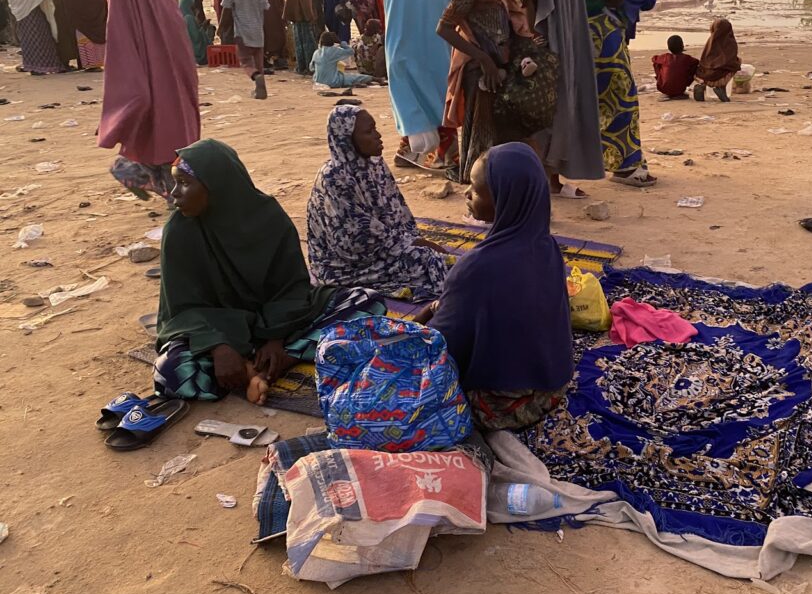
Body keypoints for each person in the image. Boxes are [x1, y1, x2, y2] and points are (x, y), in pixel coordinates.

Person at [154, 139, 384, 404]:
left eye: (183, 182)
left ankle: (282, 359)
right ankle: (253, 367)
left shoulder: (267, 216)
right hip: (218, 330)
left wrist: (275, 336)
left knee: (366, 302)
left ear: (217, 185)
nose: (174, 193)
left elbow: (292, 285)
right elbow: (181, 308)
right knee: (169, 371)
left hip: (281, 321)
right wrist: (218, 346)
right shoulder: (179, 230)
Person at [416, 143, 572, 431]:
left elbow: (442, 346)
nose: (466, 193)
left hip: (502, 407)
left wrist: (424, 316)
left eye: (475, 189)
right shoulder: (547, 247)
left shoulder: (477, 267)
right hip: (553, 389)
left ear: (505, 198)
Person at [99, 0, 200, 203]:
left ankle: (140, 174)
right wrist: (134, 68)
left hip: (172, 58)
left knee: (178, 121)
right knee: (164, 124)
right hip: (150, 60)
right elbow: (121, 24)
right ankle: (168, 188)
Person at [514, 0, 604, 197]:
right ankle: (543, 179)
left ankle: (554, 176)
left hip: (566, 36)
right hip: (545, 41)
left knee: (567, 103)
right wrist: (532, 43)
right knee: (547, 111)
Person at [307, 106, 449, 301]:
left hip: (383, 246)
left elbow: (397, 208)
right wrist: (411, 245)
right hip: (344, 265)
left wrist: (410, 240)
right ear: (347, 139)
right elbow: (354, 241)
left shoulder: (375, 165)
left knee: (433, 259)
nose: (378, 135)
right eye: (369, 132)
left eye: (375, 128)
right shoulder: (334, 178)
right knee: (427, 262)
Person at [439, 0, 533, 184]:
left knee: (495, 132)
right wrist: (482, 58)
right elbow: (444, 28)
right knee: (483, 133)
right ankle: (482, 189)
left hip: (496, 67)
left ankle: (494, 186)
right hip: (480, 72)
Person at [583, 0, 659, 188]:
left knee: (617, 94)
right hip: (600, 27)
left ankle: (626, 161)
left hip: (612, 23)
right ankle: (624, 166)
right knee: (620, 94)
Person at [384, 0, 459, 170]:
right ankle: (445, 154)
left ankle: (413, 152)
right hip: (410, 44)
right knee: (421, 93)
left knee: (441, 91)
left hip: (440, 40)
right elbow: (398, 11)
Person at [218, 0, 270, 99]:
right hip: (258, 30)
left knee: (246, 61)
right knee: (259, 63)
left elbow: (226, 9)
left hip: (242, 32)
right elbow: (265, 7)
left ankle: (255, 76)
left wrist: (221, 27)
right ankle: (261, 90)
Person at [284, 0, 317, 76]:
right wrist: (310, 15)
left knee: (299, 41)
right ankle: (310, 66)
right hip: (304, 16)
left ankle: (301, 66)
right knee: (309, 41)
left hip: (296, 16)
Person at [694, 19, 741, 102]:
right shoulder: (730, 42)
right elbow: (730, 61)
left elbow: (704, 60)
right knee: (737, 62)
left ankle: (702, 85)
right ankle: (721, 88)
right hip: (720, 78)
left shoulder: (710, 41)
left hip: (704, 77)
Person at [653, 35, 699, 99]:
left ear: (669, 47)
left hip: (664, 89)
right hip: (680, 89)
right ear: (682, 46)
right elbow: (696, 62)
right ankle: (678, 87)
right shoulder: (686, 58)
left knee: (657, 64)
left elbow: (654, 59)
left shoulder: (665, 57)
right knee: (694, 67)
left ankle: (664, 83)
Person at [179, 0, 212, 65]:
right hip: (197, 53)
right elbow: (196, 38)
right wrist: (203, 28)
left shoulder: (181, 17)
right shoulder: (189, 18)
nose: (194, 9)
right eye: (192, 6)